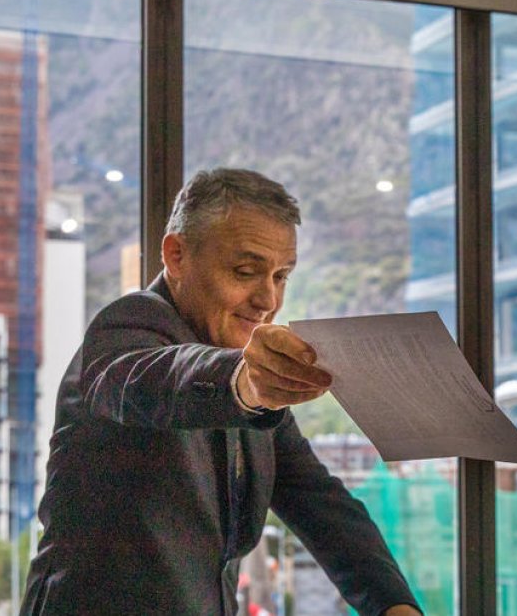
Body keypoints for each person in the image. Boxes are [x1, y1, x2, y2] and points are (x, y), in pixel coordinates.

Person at [21, 168, 422, 615]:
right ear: (176, 255)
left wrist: (394, 605)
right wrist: (245, 381)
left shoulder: (254, 388)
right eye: (246, 271)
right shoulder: (127, 327)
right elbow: (153, 381)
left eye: (281, 276)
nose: (268, 299)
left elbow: (321, 504)